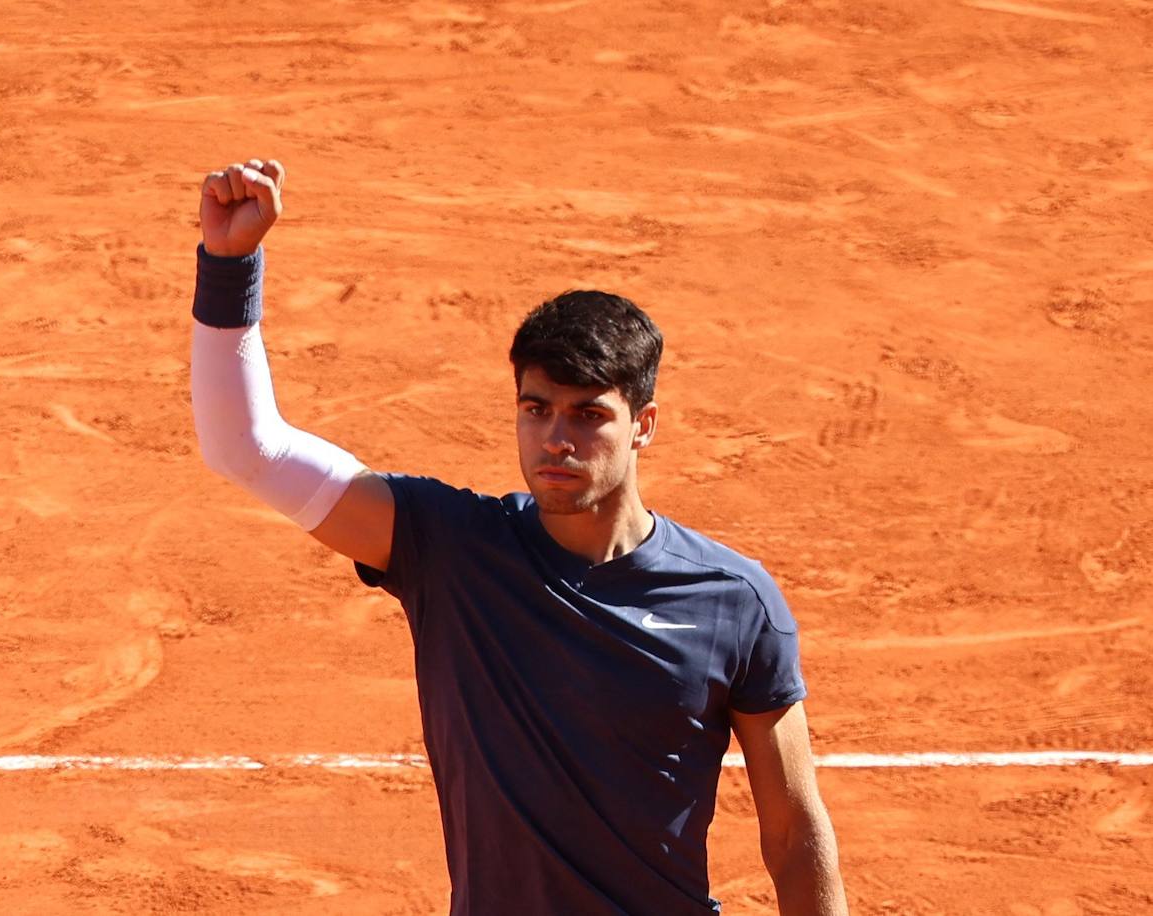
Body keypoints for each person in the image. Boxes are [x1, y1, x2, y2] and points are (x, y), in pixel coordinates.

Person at [189, 157, 849, 916]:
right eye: (536, 410)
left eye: (587, 414)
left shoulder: (733, 601)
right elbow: (247, 446)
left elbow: (794, 829)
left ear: (645, 425)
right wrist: (230, 265)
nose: (556, 440)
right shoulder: (451, 550)